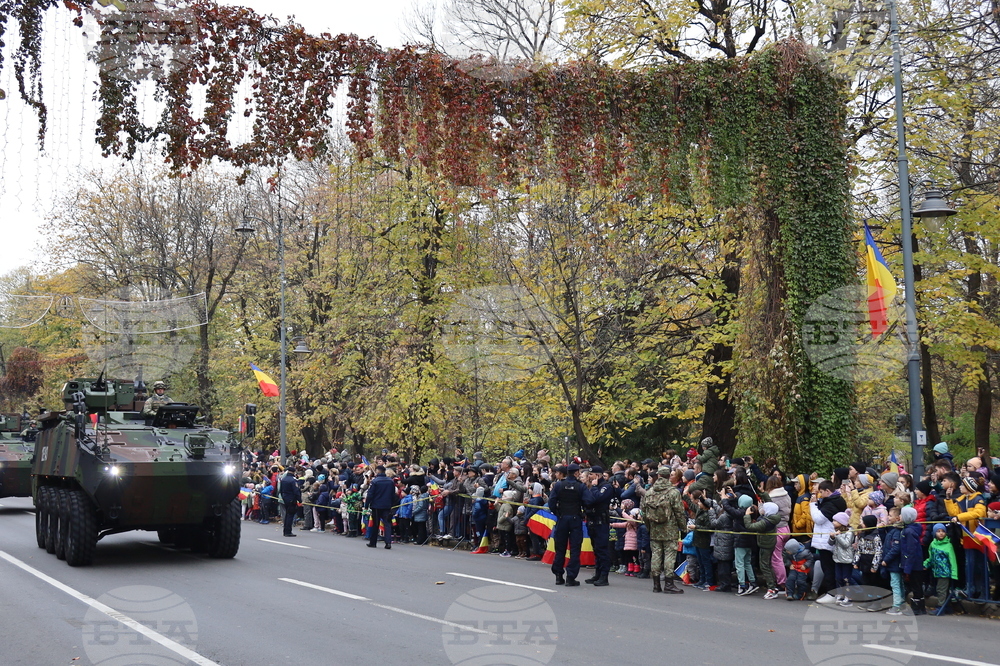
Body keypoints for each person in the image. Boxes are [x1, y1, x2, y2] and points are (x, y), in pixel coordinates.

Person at [641, 466, 687, 594]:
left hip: (654, 529)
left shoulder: (650, 492)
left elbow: (644, 512)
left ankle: (656, 584)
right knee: (669, 556)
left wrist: (648, 526)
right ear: (668, 476)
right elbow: (679, 512)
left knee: (656, 555)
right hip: (670, 529)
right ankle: (669, 584)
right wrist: (683, 528)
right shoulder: (673, 492)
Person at [548, 463, 586, 586]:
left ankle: (558, 575)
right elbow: (589, 501)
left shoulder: (559, 485)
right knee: (575, 549)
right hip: (575, 518)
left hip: (562, 518)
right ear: (576, 473)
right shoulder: (581, 486)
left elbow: (551, 502)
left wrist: (557, 513)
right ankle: (571, 577)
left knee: (560, 549)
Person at [583, 465, 618, 586]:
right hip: (592, 520)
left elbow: (596, 498)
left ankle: (604, 576)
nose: (589, 477)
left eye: (591, 475)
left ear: (597, 475)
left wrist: (593, 487)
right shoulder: (594, 487)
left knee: (602, 549)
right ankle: (597, 573)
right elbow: (587, 500)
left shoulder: (605, 487)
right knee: (596, 549)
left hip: (601, 522)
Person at [365, 465, 396, 549]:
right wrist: (393, 505)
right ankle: (388, 542)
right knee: (387, 524)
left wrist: (366, 505)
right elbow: (393, 494)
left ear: (378, 471)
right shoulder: (390, 481)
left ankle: (373, 542)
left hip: (376, 505)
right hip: (387, 505)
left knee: (375, 524)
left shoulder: (375, 481)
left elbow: (370, 494)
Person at [278, 469, 301, 537]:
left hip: (285, 498)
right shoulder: (293, 480)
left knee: (287, 515)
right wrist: (299, 500)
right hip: (292, 499)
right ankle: (288, 531)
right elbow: (296, 491)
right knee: (290, 515)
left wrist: (283, 497)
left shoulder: (284, 479)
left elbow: (281, 490)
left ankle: (285, 530)